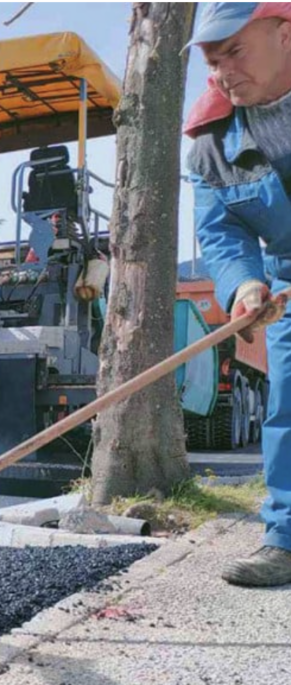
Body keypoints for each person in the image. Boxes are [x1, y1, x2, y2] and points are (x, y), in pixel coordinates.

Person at [185, 3, 291, 586]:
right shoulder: (210, 143)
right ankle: (286, 539)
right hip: (286, 273)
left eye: (236, 52)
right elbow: (221, 231)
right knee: (289, 406)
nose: (223, 72)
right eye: (213, 60)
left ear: (284, 32)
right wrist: (246, 285)